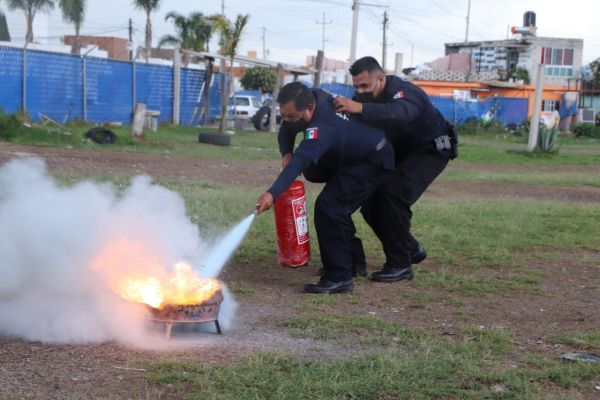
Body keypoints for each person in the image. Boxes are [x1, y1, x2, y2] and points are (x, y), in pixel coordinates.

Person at [255, 81, 394, 294]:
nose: (288, 120)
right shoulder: (310, 97)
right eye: (285, 114)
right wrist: (286, 152)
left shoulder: (322, 125)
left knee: (330, 207)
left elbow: (299, 164)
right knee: (336, 207)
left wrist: (272, 194)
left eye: (293, 116)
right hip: (351, 157)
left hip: (373, 159)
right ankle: (354, 262)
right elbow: (287, 129)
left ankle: (339, 277)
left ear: (309, 109)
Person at [333, 56, 457, 283]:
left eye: (365, 86)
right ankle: (409, 249)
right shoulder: (362, 99)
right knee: (370, 203)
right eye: (357, 87)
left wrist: (359, 108)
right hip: (400, 151)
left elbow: (400, 114)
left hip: (430, 149)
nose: (360, 92)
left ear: (381, 79)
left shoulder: (405, 92)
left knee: (393, 194)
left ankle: (400, 264)